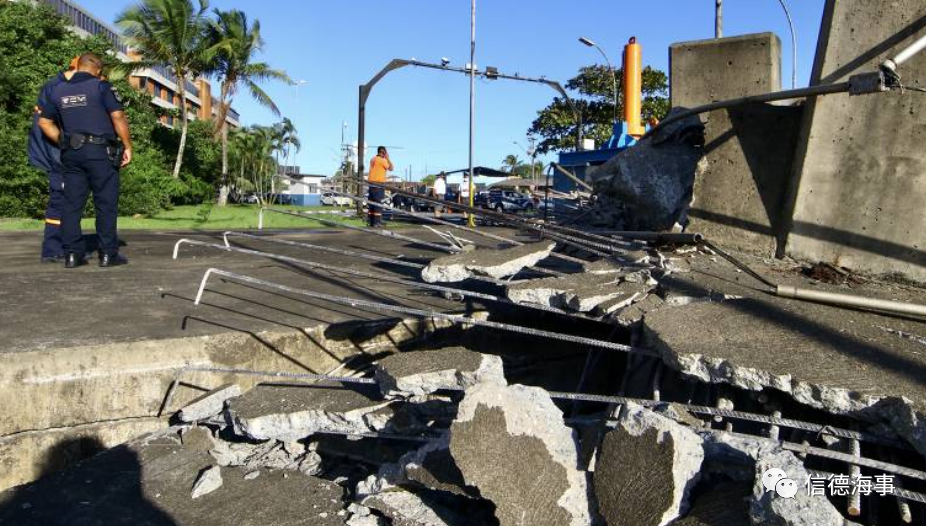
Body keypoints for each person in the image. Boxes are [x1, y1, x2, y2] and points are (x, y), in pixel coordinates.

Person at [38, 53, 132, 268]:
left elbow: (44, 122)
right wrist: (127, 145)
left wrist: (63, 141)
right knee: (105, 203)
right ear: (98, 70)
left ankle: (72, 255)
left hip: (71, 153)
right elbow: (118, 117)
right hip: (100, 152)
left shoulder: (58, 90)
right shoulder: (101, 87)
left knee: (71, 204)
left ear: (78, 66)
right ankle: (108, 254)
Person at [28, 57, 78, 263]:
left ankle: (62, 245)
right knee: (60, 198)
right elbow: (46, 123)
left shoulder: (56, 85)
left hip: (59, 150)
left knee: (67, 198)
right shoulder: (56, 87)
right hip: (56, 152)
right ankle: (52, 248)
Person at [366, 146, 393, 227]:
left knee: (372, 203)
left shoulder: (373, 159)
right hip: (378, 184)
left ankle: (371, 221)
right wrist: (388, 158)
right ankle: (377, 222)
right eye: (385, 152)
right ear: (383, 152)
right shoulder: (382, 160)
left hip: (371, 183)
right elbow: (391, 168)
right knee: (378, 203)